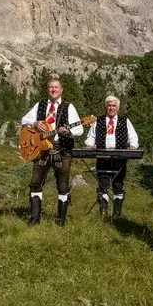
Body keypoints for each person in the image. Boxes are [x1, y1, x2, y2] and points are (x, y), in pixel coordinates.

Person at [20, 79, 84, 226]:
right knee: (35, 183)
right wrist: (35, 124)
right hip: (41, 149)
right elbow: (24, 120)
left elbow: (79, 129)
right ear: (47, 89)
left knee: (62, 186)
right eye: (50, 87)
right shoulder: (40, 105)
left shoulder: (69, 107)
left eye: (56, 87)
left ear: (61, 90)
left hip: (62, 149)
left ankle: (61, 221)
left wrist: (67, 132)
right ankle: (35, 219)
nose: (53, 90)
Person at [83, 95, 139, 217]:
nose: (111, 108)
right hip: (102, 157)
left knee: (118, 184)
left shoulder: (125, 121)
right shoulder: (98, 120)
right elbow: (91, 137)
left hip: (119, 157)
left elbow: (133, 136)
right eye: (109, 105)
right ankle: (103, 212)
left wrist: (133, 146)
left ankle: (117, 213)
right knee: (102, 183)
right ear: (105, 107)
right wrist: (89, 145)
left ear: (118, 108)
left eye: (114, 105)